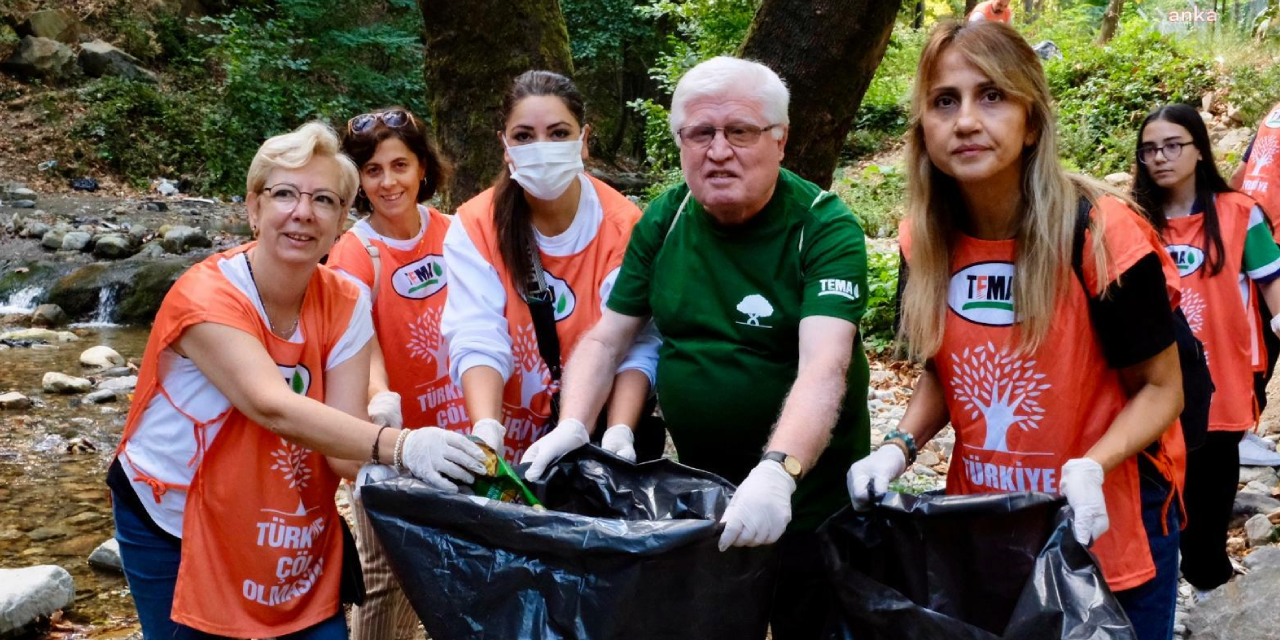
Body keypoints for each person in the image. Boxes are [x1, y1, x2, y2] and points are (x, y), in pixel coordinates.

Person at [847, 22, 1184, 640]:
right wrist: (896, 447)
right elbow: (943, 374)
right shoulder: (922, 240)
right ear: (923, 126)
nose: (967, 121)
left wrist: (1090, 466)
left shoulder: (1100, 232)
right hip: (985, 525)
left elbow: (1164, 388)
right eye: (945, 100)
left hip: (1100, 521)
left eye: (993, 95)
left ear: (1032, 121)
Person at [523, 56, 871, 639]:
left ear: (780, 139)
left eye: (740, 131)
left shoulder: (822, 226)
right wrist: (575, 423)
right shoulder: (667, 216)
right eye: (700, 133)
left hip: (811, 507)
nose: (718, 150)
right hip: (702, 505)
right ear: (681, 141)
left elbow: (825, 365)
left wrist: (779, 472)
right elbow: (609, 336)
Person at [106, 122, 490, 640]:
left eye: (324, 200)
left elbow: (343, 451)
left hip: (287, 529)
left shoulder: (347, 302)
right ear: (253, 208)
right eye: (284, 193)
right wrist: (402, 446)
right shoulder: (205, 295)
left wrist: (424, 474)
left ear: (340, 224)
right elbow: (272, 406)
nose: (302, 212)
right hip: (177, 522)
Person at [441, 70, 659, 467]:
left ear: (584, 140)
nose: (542, 148)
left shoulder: (625, 226)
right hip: (511, 428)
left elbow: (634, 341)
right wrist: (487, 430)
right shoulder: (475, 225)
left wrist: (619, 433)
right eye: (524, 136)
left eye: (559, 133)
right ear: (505, 146)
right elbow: (476, 334)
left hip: (595, 426)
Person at [1132, 103, 1280, 597]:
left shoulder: (1241, 214)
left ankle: (1212, 609)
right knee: (1148, 519)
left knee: (1207, 526)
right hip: (1148, 394)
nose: (1160, 157)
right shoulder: (1130, 219)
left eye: (1173, 145)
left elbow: (1274, 292)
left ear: (1199, 151)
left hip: (1220, 394)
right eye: (1149, 148)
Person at [326, 107, 459, 640]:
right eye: (373, 170)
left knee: (468, 565)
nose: (388, 182)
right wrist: (383, 405)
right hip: (393, 444)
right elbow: (361, 345)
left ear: (423, 168)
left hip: (468, 433)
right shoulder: (354, 254)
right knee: (387, 578)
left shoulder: (457, 234)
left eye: (400, 165)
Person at [1230, 102, 1280, 465]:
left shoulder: (1273, 114)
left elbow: (1241, 174)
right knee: (1263, 337)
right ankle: (1237, 431)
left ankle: (1244, 428)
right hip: (1270, 235)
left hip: (1255, 224)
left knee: (1259, 335)